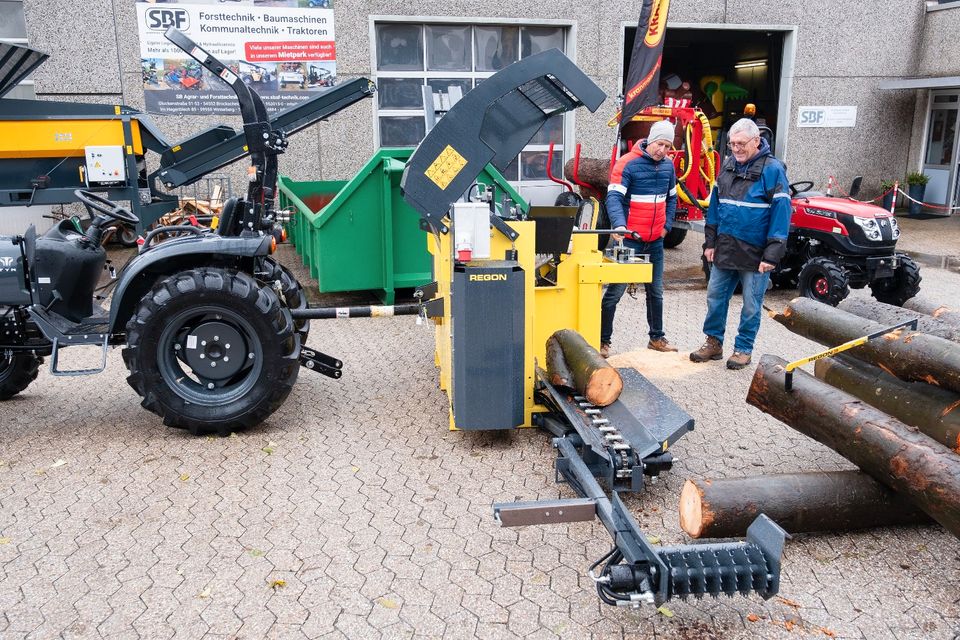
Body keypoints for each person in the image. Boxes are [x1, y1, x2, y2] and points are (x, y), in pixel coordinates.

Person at [689, 118, 791, 370]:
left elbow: (781, 215)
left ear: (756, 141)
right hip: (725, 248)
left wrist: (772, 254)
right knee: (715, 298)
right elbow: (715, 208)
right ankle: (713, 342)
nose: (736, 148)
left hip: (756, 255)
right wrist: (709, 244)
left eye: (741, 143)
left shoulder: (773, 170)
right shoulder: (727, 167)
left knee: (751, 305)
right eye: (733, 144)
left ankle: (743, 349)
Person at [600, 118, 679, 358]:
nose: (663, 151)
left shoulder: (668, 167)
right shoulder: (627, 164)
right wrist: (620, 225)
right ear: (651, 140)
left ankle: (656, 338)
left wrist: (666, 226)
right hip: (629, 239)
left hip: (654, 240)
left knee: (656, 291)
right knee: (615, 291)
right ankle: (602, 341)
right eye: (660, 145)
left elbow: (673, 198)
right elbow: (612, 198)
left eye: (668, 146)